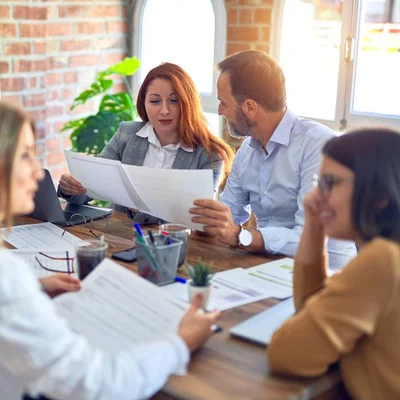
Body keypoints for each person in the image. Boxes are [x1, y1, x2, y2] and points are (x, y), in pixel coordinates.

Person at [0, 95, 221, 400]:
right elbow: (96, 386)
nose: (38, 172)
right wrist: (180, 342)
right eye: (25, 156)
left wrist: (28, 292)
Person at [189, 50, 356, 269]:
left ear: (250, 107)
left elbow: (308, 237)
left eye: (223, 103)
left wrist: (242, 237)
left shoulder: (318, 146)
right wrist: (205, 222)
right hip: (270, 268)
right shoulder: (247, 151)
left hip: (327, 275)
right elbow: (229, 214)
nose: (219, 111)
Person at [267, 128, 400, 399]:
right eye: (319, 183)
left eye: (329, 183)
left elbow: (289, 354)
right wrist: (313, 224)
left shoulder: (381, 261)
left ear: (378, 195)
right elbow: (310, 307)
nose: (316, 196)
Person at [58, 62, 234, 225]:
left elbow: (197, 216)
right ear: (144, 103)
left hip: (174, 245)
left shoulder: (210, 154)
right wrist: (70, 188)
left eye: (174, 101)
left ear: (188, 103)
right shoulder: (126, 134)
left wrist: (141, 208)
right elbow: (89, 189)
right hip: (118, 239)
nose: (164, 110)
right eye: (155, 101)